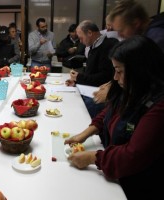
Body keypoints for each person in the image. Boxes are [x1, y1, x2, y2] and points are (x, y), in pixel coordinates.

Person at [64, 35, 164, 200]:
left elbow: (132, 155)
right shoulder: (133, 88)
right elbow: (110, 111)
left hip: (137, 186)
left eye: (119, 71)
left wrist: (93, 157)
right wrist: (85, 133)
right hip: (115, 177)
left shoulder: (158, 107)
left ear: (140, 69)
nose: (115, 79)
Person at [93, 0, 164, 106]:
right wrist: (112, 84)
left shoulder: (157, 39)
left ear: (136, 24)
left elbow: (145, 80)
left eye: (121, 31)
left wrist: (113, 90)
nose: (120, 36)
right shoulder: (149, 34)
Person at [65, 20, 118, 118]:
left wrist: (79, 77)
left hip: (98, 96)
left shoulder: (108, 46)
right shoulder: (93, 47)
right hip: (90, 91)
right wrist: (77, 82)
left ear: (89, 33)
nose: (80, 41)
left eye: (81, 38)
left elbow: (104, 77)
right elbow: (91, 74)